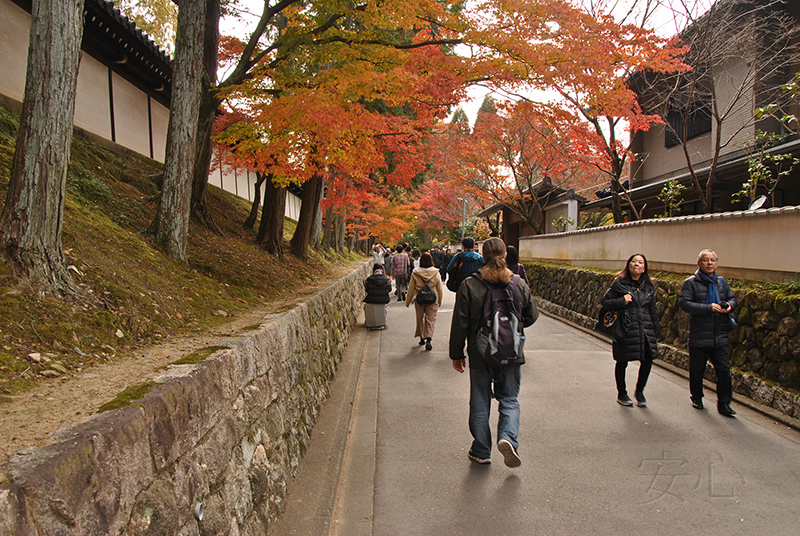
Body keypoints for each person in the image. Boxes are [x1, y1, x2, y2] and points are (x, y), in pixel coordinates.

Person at [449, 237, 538, 467]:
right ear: (505, 256)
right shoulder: (517, 283)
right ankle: (507, 437)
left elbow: (460, 322)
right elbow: (532, 315)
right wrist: (511, 328)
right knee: (509, 398)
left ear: (482, 255)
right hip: (511, 351)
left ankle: (481, 450)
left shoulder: (470, 284)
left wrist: (456, 353)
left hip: (480, 352)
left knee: (480, 399)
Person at [679, 249, 737, 417]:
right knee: (697, 370)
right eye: (706, 260)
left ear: (716, 263)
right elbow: (685, 304)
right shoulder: (690, 283)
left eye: (712, 260)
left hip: (719, 334)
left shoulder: (721, 282)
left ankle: (724, 404)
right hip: (699, 334)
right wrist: (708, 308)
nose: (710, 263)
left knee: (724, 370)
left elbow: (732, 298)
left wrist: (729, 306)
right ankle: (697, 396)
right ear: (699, 263)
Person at [600, 254, 660, 407]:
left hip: (645, 329)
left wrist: (656, 332)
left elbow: (653, 310)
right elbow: (605, 302)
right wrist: (622, 301)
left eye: (640, 262)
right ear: (628, 265)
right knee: (622, 361)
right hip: (626, 327)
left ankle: (640, 391)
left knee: (647, 361)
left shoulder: (648, 286)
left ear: (644, 268)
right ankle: (622, 393)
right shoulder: (619, 283)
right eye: (633, 261)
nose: (636, 264)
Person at [406, 252, 444, 350]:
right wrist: (440, 299)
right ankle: (429, 339)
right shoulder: (435, 272)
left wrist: (408, 300)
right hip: (432, 298)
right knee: (430, 320)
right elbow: (439, 287)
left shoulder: (415, 272)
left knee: (420, 319)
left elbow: (411, 288)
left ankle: (422, 337)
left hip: (419, 298)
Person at [363, 264, 392, 329]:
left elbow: (367, 290)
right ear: (382, 270)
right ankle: (382, 322)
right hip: (384, 299)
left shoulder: (369, 279)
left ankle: (370, 323)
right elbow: (389, 289)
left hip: (371, 299)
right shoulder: (386, 278)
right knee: (383, 308)